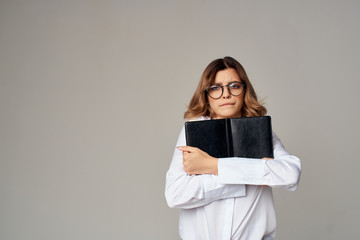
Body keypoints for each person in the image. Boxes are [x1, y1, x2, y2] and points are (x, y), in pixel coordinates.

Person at [165, 56, 302, 240]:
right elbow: (175, 194)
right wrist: (252, 174)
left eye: (234, 86)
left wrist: (212, 166)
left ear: (244, 90)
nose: (225, 94)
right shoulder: (193, 132)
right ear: (206, 95)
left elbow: (290, 174)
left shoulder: (261, 131)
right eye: (215, 88)